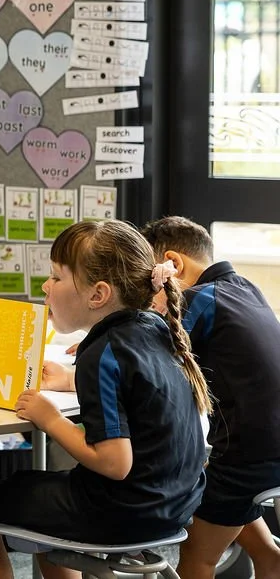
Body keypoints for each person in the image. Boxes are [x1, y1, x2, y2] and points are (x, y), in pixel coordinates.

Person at [0, 220, 210, 579]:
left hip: (124, 510)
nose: (46, 286)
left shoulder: (101, 353)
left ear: (98, 295)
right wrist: (70, 381)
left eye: (57, 277)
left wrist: (50, 420)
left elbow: (114, 462)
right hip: (176, 502)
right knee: (47, 517)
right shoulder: (154, 329)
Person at [140, 216, 280, 579]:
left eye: (147, 283)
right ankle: (269, 559)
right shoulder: (245, 287)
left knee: (198, 554)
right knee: (217, 492)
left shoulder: (199, 298)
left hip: (250, 453)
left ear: (173, 264)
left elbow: (143, 363)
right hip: (268, 446)